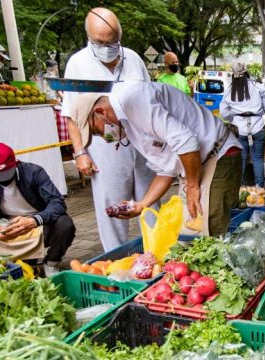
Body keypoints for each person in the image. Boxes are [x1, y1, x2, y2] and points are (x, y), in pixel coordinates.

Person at [70, 82, 242, 235]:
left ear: (101, 112)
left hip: (218, 155)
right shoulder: (129, 127)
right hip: (196, 164)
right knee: (191, 231)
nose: (102, 136)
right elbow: (165, 169)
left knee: (208, 230)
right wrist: (142, 204)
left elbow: (187, 142)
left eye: (96, 131)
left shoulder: (135, 101)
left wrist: (192, 185)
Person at [61, 7, 156, 251]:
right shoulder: (78, 63)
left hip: (142, 143)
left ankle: (159, 257)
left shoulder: (134, 59)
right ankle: (117, 262)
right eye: (100, 41)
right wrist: (80, 153)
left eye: (112, 41)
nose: (106, 46)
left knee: (151, 204)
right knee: (112, 208)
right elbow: (72, 114)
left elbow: (150, 100)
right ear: (89, 37)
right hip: (105, 145)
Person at [0, 143, 75, 276]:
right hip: (3, 225)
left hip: (37, 224)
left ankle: (50, 263)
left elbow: (57, 202)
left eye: (4, 175)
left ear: (15, 164)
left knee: (65, 224)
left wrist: (33, 221)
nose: (0, 180)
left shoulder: (33, 172)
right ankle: (13, 262)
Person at [219, 61, 265, 188]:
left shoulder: (229, 90)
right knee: (258, 159)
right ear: (246, 71)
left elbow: (224, 112)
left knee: (242, 159)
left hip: (239, 129)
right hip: (258, 127)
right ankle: (259, 188)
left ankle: (239, 189)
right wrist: (259, 112)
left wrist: (233, 119)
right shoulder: (258, 86)